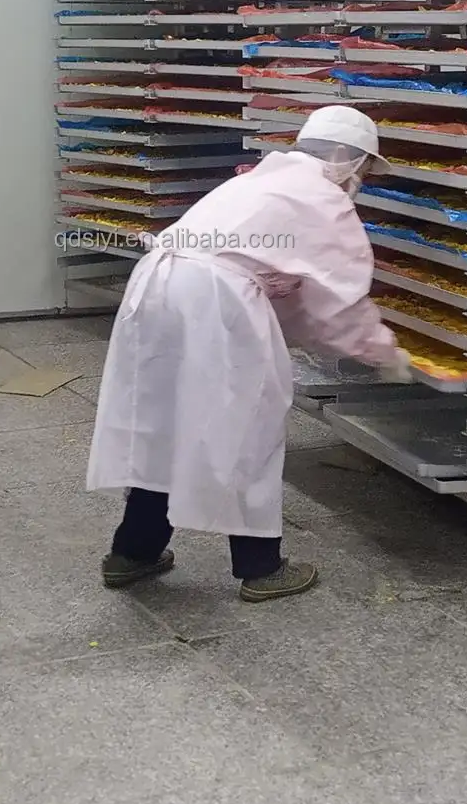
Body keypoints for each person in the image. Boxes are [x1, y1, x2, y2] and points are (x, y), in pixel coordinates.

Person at [89, 104, 407, 603]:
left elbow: (282, 283)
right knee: (249, 423)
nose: (361, 181)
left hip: (158, 285)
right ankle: (261, 567)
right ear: (348, 160)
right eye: (364, 169)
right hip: (214, 296)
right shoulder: (325, 199)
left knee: (161, 420)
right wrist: (382, 352)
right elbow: (338, 305)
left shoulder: (259, 180)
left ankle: (133, 551)